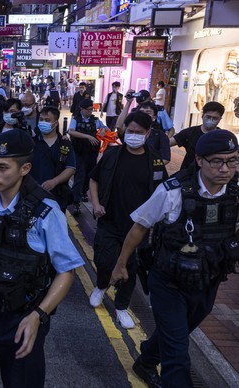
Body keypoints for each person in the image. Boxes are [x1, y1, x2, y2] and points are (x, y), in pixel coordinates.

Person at [0, 129, 84, 387]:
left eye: (2, 167)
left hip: (21, 319)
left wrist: (38, 316)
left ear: (25, 168)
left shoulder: (45, 211)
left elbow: (67, 271)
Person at [109, 129, 239, 388]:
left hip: (208, 279)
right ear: (199, 160)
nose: (225, 168)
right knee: (178, 354)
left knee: (176, 333)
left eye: (233, 160)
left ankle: (146, 360)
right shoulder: (172, 191)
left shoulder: (235, 192)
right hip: (169, 282)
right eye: (217, 161)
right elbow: (139, 227)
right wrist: (121, 265)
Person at [88, 111, 168, 329]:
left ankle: (121, 307)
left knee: (129, 269)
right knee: (104, 260)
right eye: (130, 131)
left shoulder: (155, 162)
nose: (133, 135)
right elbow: (93, 180)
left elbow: (163, 193)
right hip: (109, 220)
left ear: (148, 133)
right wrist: (96, 204)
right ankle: (102, 284)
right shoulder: (112, 155)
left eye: (139, 132)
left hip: (138, 228)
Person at [29, 106, 76, 213]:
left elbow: (71, 168)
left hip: (57, 198)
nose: (43, 123)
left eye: (47, 120)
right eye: (41, 120)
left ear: (55, 123)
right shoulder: (31, 142)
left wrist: (55, 181)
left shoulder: (64, 144)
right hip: (32, 196)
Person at [68, 98, 108, 216]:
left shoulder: (95, 120)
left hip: (92, 152)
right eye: (89, 110)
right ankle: (76, 202)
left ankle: (84, 192)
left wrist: (103, 131)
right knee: (80, 175)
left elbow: (106, 128)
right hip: (79, 151)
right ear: (82, 109)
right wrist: (88, 137)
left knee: (89, 174)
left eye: (92, 109)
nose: (91, 112)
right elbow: (71, 131)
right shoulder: (75, 119)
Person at [169, 101, 225, 171]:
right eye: (208, 117)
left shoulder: (223, 138)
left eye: (215, 118)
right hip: (188, 174)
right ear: (202, 116)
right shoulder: (190, 132)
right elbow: (168, 143)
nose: (211, 120)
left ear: (220, 119)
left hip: (211, 175)